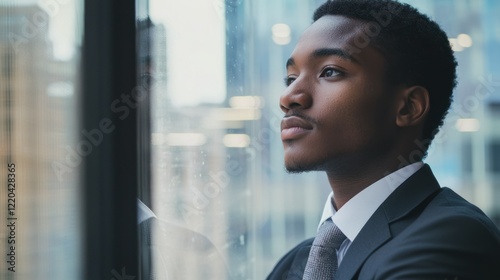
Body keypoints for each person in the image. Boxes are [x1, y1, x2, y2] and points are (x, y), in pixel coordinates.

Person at [266, 0, 500, 279]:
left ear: (408, 107)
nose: (289, 96)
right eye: (291, 77)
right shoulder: (296, 263)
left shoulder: (452, 239)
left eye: (330, 72)